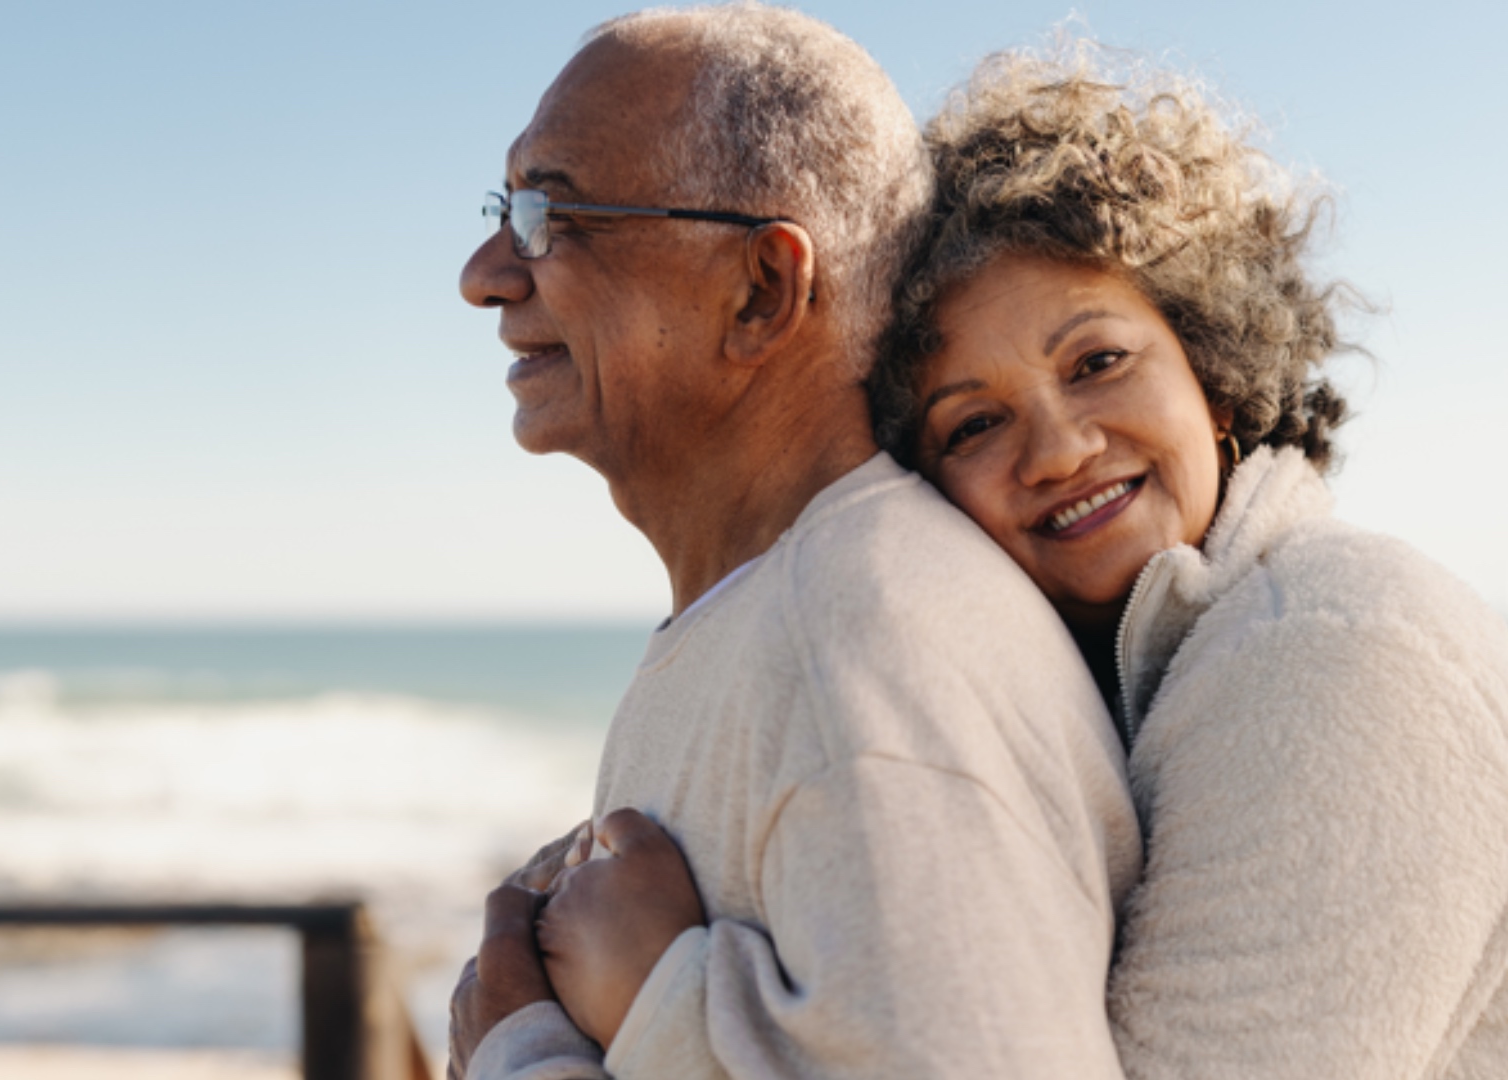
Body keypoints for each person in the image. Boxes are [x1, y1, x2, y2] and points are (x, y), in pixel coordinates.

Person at [543, 43, 1508, 1079]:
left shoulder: (1330, 658)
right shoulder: (1156, 670)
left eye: (1099, 363)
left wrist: (659, 1001)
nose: (1056, 450)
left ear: (1216, 377)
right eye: (974, 425)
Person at [449, 7, 1141, 1079]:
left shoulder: (862, 644)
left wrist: (521, 1053)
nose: (486, 271)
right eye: (507, 207)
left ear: (763, 290)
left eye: (553, 211)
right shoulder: (794, 609)